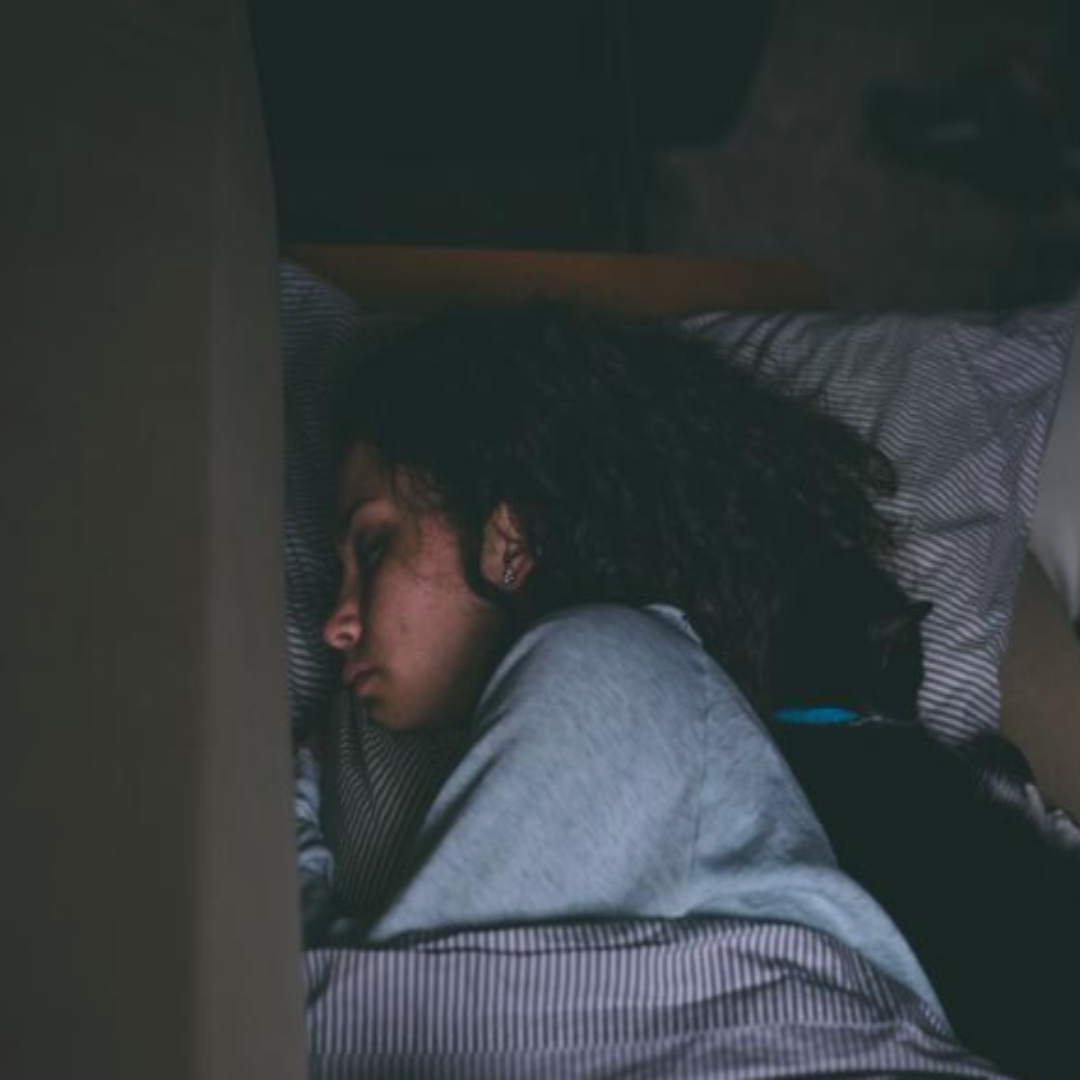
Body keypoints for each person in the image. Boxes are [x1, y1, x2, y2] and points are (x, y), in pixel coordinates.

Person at [298, 301, 1077, 1074]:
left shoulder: (607, 663)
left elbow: (349, 1026)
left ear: (509, 539)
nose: (336, 623)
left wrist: (292, 822)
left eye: (374, 548)